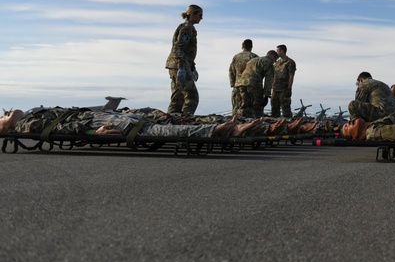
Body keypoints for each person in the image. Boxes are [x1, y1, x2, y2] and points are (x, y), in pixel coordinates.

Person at [1, 107, 264, 139]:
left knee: (156, 120)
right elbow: (62, 128)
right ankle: (220, 130)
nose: (9, 112)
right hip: (97, 121)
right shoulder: (27, 125)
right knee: (155, 130)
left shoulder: (34, 114)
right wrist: (94, 131)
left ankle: (228, 126)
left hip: (99, 114)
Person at [165, 4, 203, 115]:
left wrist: (192, 66)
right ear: (192, 14)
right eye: (200, 15)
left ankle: (171, 120)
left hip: (178, 64)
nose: (201, 18)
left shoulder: (187, 27)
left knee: (178, 97)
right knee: (192, 96)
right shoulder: (187, 28)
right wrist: (182, 67)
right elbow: (178, 48)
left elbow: (186, 51)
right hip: (179, 64)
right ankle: (185, 120)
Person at [236, 50, 278, 117]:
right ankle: (257, 122)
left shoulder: (253, 60)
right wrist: (266, 96)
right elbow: (269, 80)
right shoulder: (268, 62)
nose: (274, 62)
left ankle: (242, 121)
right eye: (275, 59)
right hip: (254, 84)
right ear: (272, 56)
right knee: (258, 105)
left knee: (244, 104)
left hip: (242, 83)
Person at [228, 39, 257, 115]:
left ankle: (234, 124)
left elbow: (231, 70)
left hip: (237, 84)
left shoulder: (236, 57)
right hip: (249, 85)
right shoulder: (254, 57)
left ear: (242, 46)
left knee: (236, 107)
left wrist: (232, 84)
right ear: (251, 47)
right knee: (248, 108)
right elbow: (257, 72)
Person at [271, 44, 297, 119]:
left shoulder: (290, 62)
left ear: (282, 51)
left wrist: (289, 88)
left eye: (278, 51)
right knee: (274, 110)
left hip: (284, 89)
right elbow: (273, 75)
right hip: (275, 89)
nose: (277, 52)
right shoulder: (276, 63)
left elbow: (291, 76)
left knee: (286, 110)